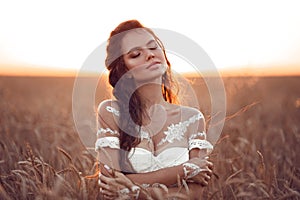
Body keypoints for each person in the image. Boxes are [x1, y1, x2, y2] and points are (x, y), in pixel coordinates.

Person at [95, 19, 214, 199]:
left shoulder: (193, 119)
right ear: (122, 69)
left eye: (153, 47)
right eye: (136, 54)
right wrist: (184, 170)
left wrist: (132, 190)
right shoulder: (111, 112)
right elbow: (110, 185)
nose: (150, 55)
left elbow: (195, 194)